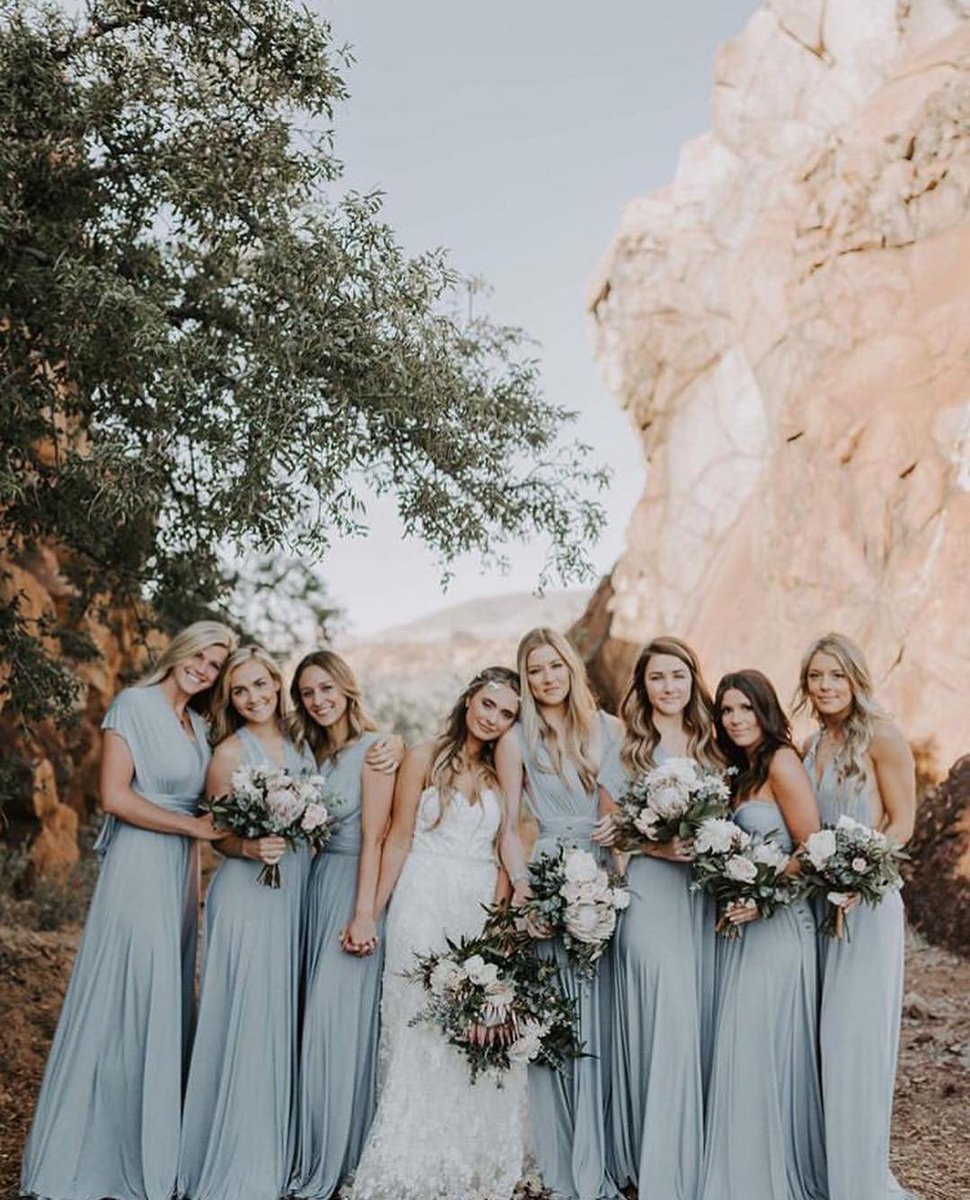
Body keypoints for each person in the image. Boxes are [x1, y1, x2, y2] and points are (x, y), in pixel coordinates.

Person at [21, 621, 236, 1200]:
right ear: (180, 651)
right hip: (139, 864)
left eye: (216, 665)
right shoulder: (132, 704)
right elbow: (115, 795)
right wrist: (189, 825)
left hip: (178, 872)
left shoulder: (197, 726)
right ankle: (92, 1149)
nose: (205, 669)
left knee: (164, 995)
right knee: (128, 991)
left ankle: (153, 1146)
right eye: (201, 656)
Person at [350, 666, 526, 1200]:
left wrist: (499, 922)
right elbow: (398, 838)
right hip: (422, 899)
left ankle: (467, 1149)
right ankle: (411, 1152)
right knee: (417, 1020)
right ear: (470, 696)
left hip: (474, 904)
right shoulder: (424, 755)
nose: (492, 719)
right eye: (488, 704)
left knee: (470, 1019)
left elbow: (506, 845)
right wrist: (370, 914)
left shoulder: (503, 768)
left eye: (506, 714)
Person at [177, 645, 315, 1200]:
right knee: (250, 1017)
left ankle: (283, 1147)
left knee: (284, 1013)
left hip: (296, 892)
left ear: (277, 683)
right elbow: (215, 837)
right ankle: (238, 1155)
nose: (254, 697)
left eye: (261, 685)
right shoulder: (229, 753)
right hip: (249, 893)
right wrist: (250, 846)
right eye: (240, 690)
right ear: (229, 699)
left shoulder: (303, 741)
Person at [496, 627, 622, 1200]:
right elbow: (507, 827)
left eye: (554, 667)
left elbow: (620, 815)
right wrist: (523, 889)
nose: (546, 678)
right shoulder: (516, 740)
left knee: (602, 1008)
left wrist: (617, 844)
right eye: (535, 671)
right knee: (559, 1010)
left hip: (602, 874)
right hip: (548, 873)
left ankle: (608, 1144)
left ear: (571, 668)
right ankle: (563, 1145)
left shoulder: (610, 730)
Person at [595, 636, 721, 1199]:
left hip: (704, 896)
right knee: (662, 1015)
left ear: (693, 679)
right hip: (649, 893)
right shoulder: (628, 747)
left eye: (678, 676)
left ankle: (692, 1153)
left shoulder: (715, 742)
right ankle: (654, 1161)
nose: (669, 687)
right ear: (641, 688)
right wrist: (658, 847)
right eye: (656, 678)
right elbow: (612, 829)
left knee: (697, 1015)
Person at [698, 669, 826, 1200]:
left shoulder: (780, 761)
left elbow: (811, 847)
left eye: (745, 709)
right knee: (740, 1044)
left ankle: (773, 1173)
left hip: (778, 925)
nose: (735, 719)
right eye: (727, 711)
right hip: (741, 926)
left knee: (766, 1045)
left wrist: (761, 892)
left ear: (765, 710)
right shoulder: (737, 772)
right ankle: (742, 1169)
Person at [796, 633, 917, 1200]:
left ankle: (859, 1179)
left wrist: (858, 873)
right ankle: (825, 1169)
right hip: (819, 907)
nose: (825, 686)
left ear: (855, 678)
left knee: (855, 1042)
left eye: (836, 675)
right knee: (822, 1042)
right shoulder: (809, 745)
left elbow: (902, 822)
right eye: (816, 676)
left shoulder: (884, 737)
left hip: (867, 907)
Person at [288, 651, 399, 1200]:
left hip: (351, 892)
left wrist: (364, 913)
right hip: (314, 887)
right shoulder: (315, 754)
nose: (319, 700)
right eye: (308, 693)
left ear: (347, 689)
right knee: (314, 1023)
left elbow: (376, 838)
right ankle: (307, 1149)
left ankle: (333, 1161)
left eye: (326, 688)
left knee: (337, 1026)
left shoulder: (374, 750)